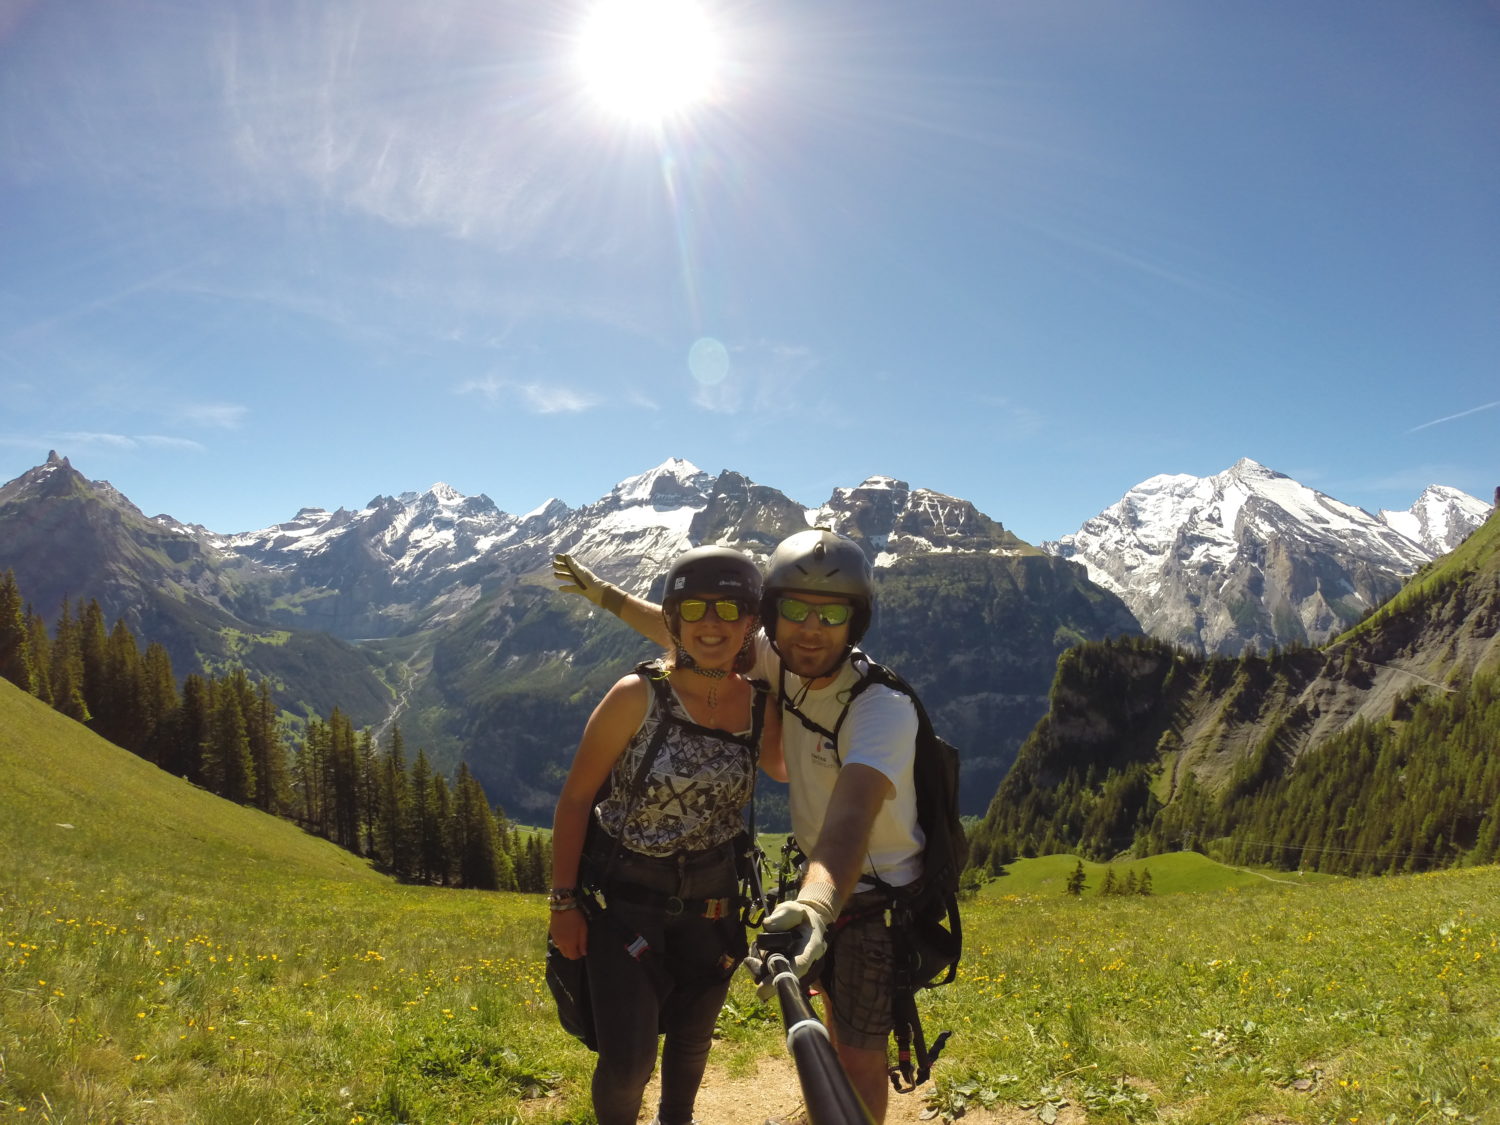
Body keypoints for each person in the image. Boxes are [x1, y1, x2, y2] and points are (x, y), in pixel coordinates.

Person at [555, 528, 921, 1125]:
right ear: (772, 620)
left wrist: (816, 904)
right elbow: (698, 636)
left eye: (830, 615)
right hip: (789, 888)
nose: (810, 628)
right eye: (795, 611)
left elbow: (852, 816)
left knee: (855, 1054)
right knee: (823, 1029)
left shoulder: (880, 707)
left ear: (856, 623)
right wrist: (605, 595)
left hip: (874, 892)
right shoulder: (777, 656)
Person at [549, 545, 786, 1125]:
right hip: (626, 900)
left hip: (714, 901)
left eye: (730, 610)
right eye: (696, 609)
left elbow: (789, 767)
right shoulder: (638, 695)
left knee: (690, 1043)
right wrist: (563, 901)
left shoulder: (762, 707)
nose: (712, 623)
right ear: (674, 618)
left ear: (750, 623)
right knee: (628, 1064)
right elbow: (577, 798)